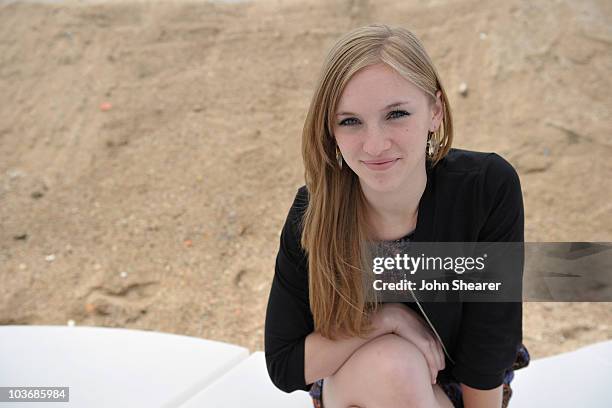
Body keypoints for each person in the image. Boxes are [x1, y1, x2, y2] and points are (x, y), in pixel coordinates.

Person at [264, 24, 529, 408]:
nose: (375, 145)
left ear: (435, 112)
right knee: (392, 366)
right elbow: (285, 363)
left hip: (458, 392)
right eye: (350, 121)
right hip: (359, 389)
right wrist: (382, 322)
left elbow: (490, 343)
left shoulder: (485, 188)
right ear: (330, 130)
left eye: (397, 114)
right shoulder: (313, 212)